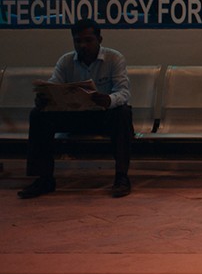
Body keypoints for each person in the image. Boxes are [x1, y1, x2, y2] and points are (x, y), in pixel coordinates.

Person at [17, 19, 133, 199]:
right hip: (74, 116)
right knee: (38, 115)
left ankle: (121, 177)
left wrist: (108, 100)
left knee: (123, 113)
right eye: (78, 41)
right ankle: (44, 179)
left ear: (99, 39)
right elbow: (54, 85)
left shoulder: (114, 58)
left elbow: (123, 92)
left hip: (102, 117)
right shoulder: (66, 61)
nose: (82, 45)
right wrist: (45, 99)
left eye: (88, 40)